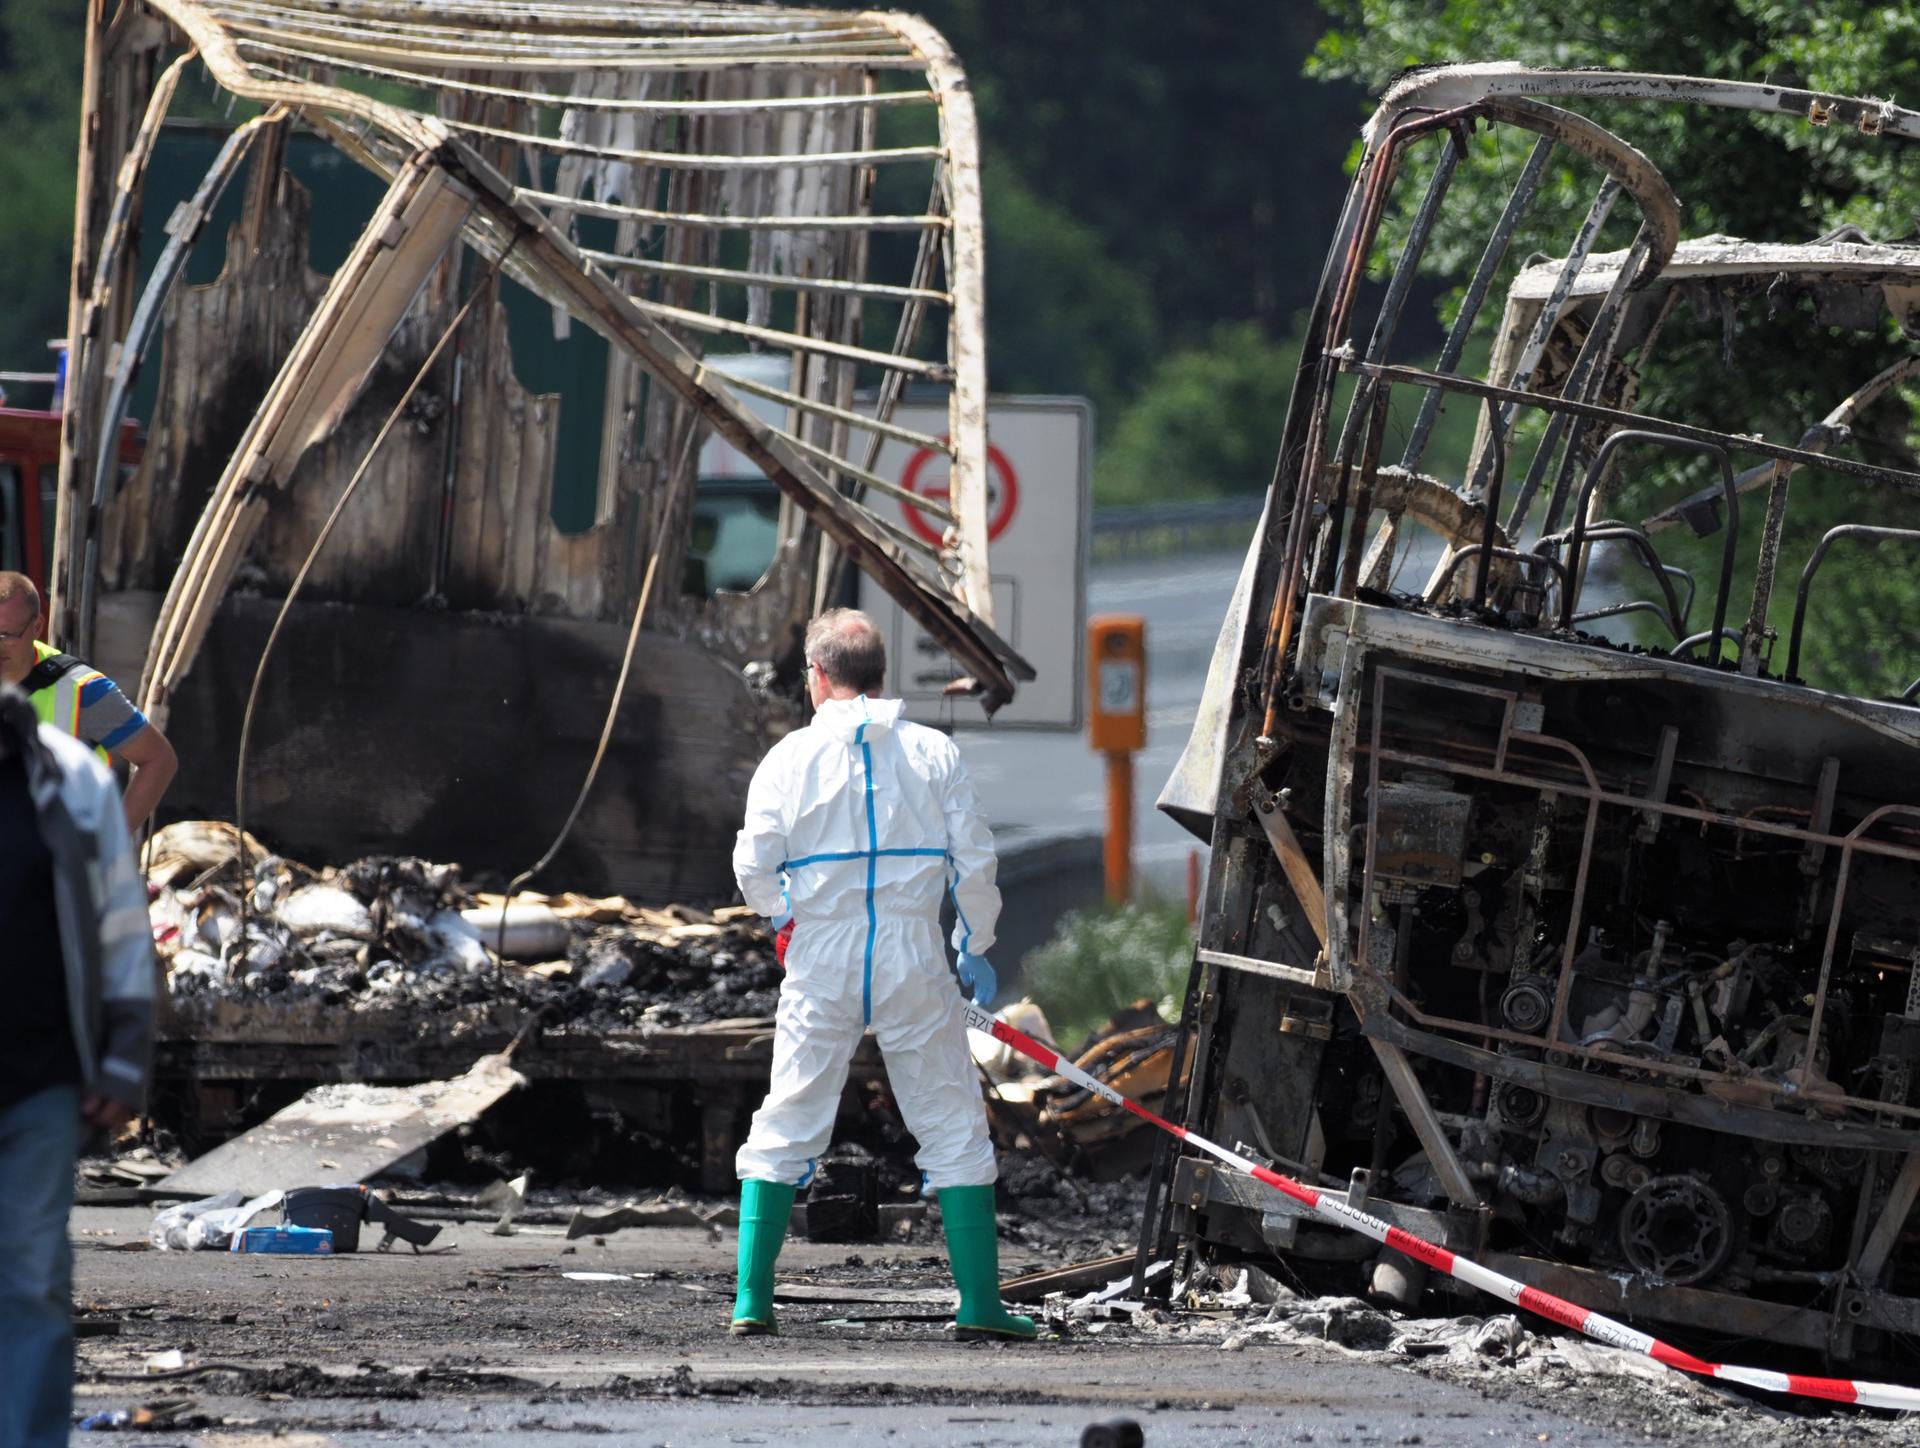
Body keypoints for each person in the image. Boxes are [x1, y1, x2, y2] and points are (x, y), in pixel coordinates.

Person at [729, 608, 1035, 1341]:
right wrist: (974, 941)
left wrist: (784, 914)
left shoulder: (788, 759)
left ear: (817, 676)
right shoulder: (933, 753)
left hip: (823, 952)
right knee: (950, 1119)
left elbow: (752, 866)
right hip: (912, 952)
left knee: (789, 1114)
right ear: (881, 675)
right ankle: (980, 1306)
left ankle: (752, 1302)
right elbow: (975, 861)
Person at [0, 683, 155, 1446]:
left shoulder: (67, 778)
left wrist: (125, 1053)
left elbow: (120, 922)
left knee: (31, 1279)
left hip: (37, 1080)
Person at [0, 571, 177, 830]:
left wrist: (111, 840)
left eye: (6, 635)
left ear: (37, 627)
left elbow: (159, 759)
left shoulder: (83, 690)